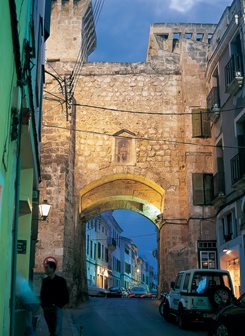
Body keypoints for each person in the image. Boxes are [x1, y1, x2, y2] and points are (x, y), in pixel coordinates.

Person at [40, 261, 69, 336]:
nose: (45, 269)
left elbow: (66, 296)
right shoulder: (45, 281)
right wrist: (44, 306)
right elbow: (42, 295)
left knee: (57, 331)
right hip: (47, 309)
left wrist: (59, 305)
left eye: (47, 267)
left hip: (57, 309)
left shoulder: (61, 281)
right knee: (51, 330)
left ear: (52, 269)